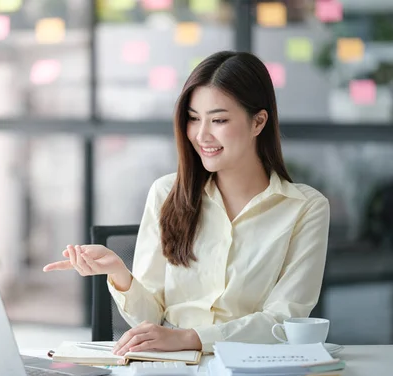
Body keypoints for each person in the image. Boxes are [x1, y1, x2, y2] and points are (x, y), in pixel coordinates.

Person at [43, 51, 330, 354]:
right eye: (193, 119)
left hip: (253, 367)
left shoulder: (305, 208)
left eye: (218, 120)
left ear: (258, 122)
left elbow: (283, 322)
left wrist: (191, 338)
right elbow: (148, 317)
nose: (201, 135)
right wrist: (120, 273)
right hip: (172, 366)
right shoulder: (165, 193)